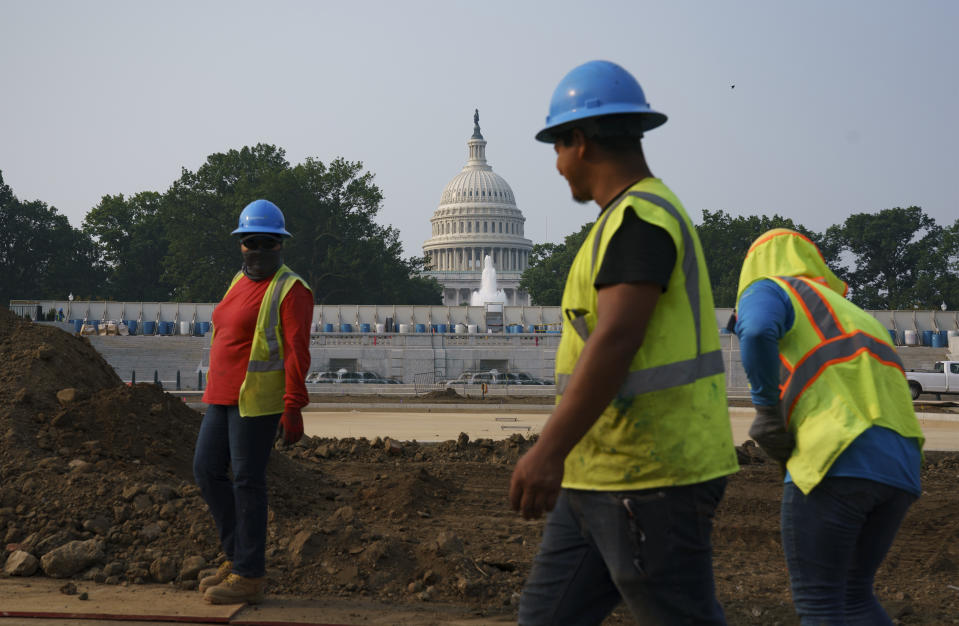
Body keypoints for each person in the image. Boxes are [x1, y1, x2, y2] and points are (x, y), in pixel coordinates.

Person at [510, 60, 739, 625]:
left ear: (581, 143)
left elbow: (615, 339)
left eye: (557, 148)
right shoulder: (620, 223)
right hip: (600, 474)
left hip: (652, 478)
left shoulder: (642, 220)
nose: (558, 167)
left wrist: (547, 450)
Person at [733, 228, 924, 624]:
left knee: (819, 602)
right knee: (855, 597)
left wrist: (767, 409)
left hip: (836, 456)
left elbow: (754, 331)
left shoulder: (769, 287)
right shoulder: (855, 315)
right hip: (901, 465)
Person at [193, 199, 313, 605]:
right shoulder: (237, 281)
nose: (257, 250)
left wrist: (293, 406)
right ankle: (235, 558)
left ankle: (249, 573)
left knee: (247, 483)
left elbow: (297, 351)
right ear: (240, 244)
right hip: (222, 397)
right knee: (207, 472)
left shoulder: (290, 289)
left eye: (266, 243)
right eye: (250, 242)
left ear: (281, 245)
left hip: (256, 403)